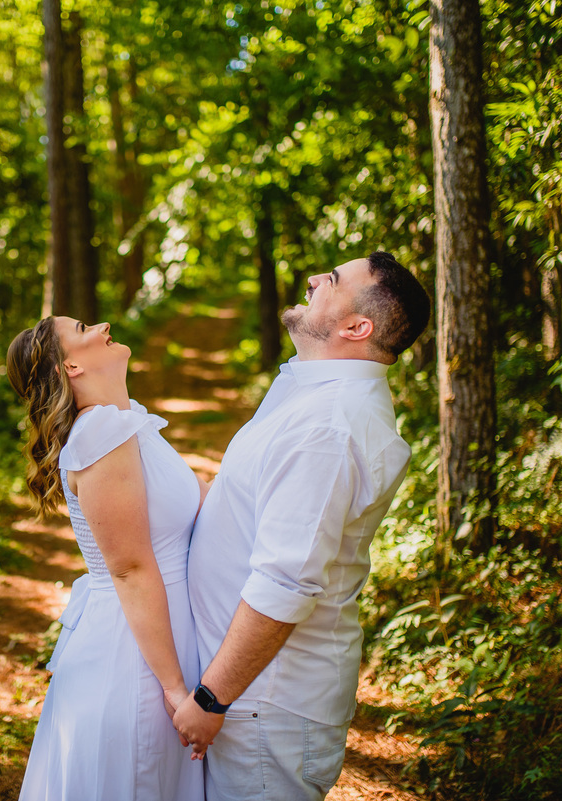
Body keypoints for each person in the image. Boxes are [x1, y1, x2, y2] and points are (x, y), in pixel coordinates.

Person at [173, 250, 431, 800]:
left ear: (355, 327)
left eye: (333, 280)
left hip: (265, 706)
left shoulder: (328, 425)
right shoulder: (311, 394)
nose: (315, 278)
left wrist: (212, 698)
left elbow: (286, 583)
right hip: (250, 695)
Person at [7, 315, 206, 801]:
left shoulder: (125, 420)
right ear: (70, 363)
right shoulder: (99, 433)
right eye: (82, 327)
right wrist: (176, 689)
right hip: (132, 657)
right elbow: (129, 568)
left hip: (162, 633)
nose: (103, 325)